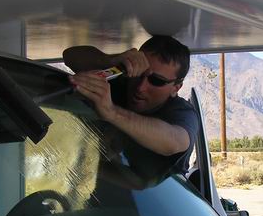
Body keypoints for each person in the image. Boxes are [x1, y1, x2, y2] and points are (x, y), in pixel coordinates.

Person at [63, 35, 198, 175]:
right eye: (139, 74)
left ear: (176, 88)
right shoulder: (121, 81)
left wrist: (112, 113)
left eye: (157, 81)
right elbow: (70, 56)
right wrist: (112, 61)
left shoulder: (182, 112)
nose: (141, 87)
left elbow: (174, 141)